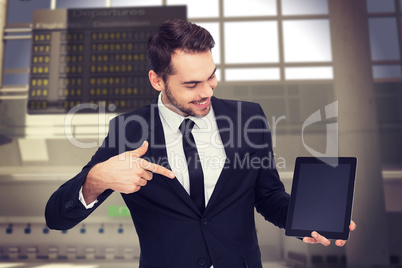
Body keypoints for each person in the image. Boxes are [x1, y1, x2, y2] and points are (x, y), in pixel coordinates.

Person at [45, 18, 356, 268]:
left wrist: (304, 219)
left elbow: (268, 195)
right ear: (157, 81)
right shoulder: (126, 131)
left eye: (211, 77)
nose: (207, 91)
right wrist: (97, 178)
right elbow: (56, 216)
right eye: (192, 84)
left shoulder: (249, 117)